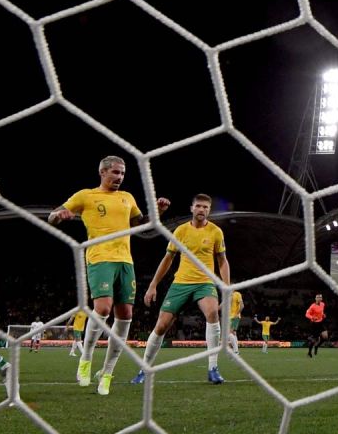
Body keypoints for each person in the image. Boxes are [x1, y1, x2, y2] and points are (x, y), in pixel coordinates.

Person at [49, 155, 170, 393]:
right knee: (103, 308)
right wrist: (58, 216)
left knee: (125, 315)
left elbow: (141, 224)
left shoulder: (127, 198)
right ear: (102, 172)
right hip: (99, 258)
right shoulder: (86, 195)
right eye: (115, 172)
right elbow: (53, 216)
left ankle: (107, 373)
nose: (119, 177)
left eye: (122, 174)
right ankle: (85, 360)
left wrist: (158, 211)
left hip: (125, 260)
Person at [133, 194, 230, 389]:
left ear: (209, 210)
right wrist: (153, 285)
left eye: (205, 207)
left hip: (204, 283)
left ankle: (213, 369)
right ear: (191, 208)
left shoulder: (216, 232)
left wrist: (226, 288)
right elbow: (168, 259)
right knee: (161, 326)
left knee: (212, 313)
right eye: (198, 206)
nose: (202, 210)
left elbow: (222, 261)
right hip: (181, 283)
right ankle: (143, 370)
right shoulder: (180, 231)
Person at [305, 294, 327, 358]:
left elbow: (321, 312)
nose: (319, 298)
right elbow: (306, 314)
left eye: (320, 297)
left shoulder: (323, 304)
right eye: (318, 297)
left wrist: (323, 315)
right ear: (315, 298)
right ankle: (309, 352)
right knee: (314, 340)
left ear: (321, 299)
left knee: (325, 336)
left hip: (321, 322)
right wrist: (312, 317)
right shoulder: (312, 306)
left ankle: (317, 346)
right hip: (314, 324)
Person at [228, 290, 243, 356]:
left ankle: (236, 351)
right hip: (230, 317)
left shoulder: (237, 294)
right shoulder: (229, 295)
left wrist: (237, 313)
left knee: (229, 332)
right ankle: (236, 350)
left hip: (234, 317)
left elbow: (242, 306)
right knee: (233, 333)